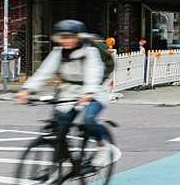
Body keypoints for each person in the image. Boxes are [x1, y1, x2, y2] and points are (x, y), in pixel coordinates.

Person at [15, 19, 111, 167]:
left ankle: (103, 146)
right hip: (69, 92)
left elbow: (94, 72)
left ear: (79, 37)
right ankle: (63, 156)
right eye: (62, 37)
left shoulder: (90, 52)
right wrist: (26, 89)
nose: (65, 41)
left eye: (70, 37)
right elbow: (44, 72)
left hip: (95, 90)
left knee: (89, 119)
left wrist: (89, 93)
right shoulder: (58, 52)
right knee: (59, 122)